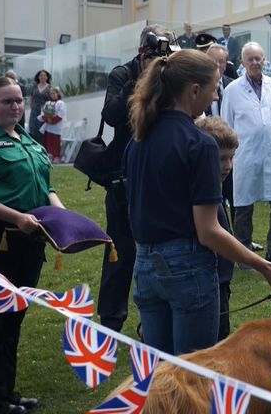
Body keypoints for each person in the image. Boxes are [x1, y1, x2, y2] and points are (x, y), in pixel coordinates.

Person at [124, 49, 271, 355]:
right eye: (214, 87)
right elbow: (208, 231)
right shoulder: (199, 144)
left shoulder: (138, 142)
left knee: (158, 380)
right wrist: (264, 266)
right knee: (195, 379)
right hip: (188, 270)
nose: (216, 93)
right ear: (194, 91)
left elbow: (134, 215)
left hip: (146, 267)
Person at [96, 24, 177, 333]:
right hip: (124, 175)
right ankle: (112, 320)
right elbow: (112, 115)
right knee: (120, 248)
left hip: (162, 173)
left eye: (167, 46)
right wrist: (138, 79)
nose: (161, 53)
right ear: (142, 50)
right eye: (157, 47)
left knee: (160, 247)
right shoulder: (122, 73)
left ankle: (155, 317)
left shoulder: (172, 73)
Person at [0, 77, 62, 414]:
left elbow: (46, 186)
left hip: (31, 240)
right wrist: (17, 218)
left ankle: (7, 392)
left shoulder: (29, 140)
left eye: (19, 100)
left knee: (15, 315)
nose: (16, 106)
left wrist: (62, 216)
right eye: (7, 101)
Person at [221, 42, 271, 267]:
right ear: (242, 63)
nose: (254, 63)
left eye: (258, 58)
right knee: (243, 206)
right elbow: (226, 124)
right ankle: (243, 255)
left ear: (264, 61)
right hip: (246, 154)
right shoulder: (232, 90)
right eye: (250, 59)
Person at [193, 116, 238, 341]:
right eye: (221, 159)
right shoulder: (203, 193)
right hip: (210, 284)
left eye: (231, 158)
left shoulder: (216, 188)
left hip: (222, 282)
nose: (228, 166)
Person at [37, 86, 65, 164]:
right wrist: (46, 119)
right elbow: (42, 113)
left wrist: (52, 120)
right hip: (48, 126)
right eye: (51, 93)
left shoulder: (61, 103)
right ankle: (48, 156)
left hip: (56, 126)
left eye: (54, 93)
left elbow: (61, 114)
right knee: (48, 141)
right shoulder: (47, 103)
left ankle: (56, 157)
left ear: (57, 94)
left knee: (55, 142)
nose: (52, 95)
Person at [28, 69, 51, 144]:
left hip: (45, 111)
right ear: (38, 77)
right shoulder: (34, 86)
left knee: (42, 130)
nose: (43, 77)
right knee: (33, 129)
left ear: (47, 77)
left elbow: (52, 101)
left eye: (44, 75)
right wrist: (32, 107)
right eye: (41, 75)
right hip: (34, 111)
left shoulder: (50, 88)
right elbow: (31, 97)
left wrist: (49, 114)